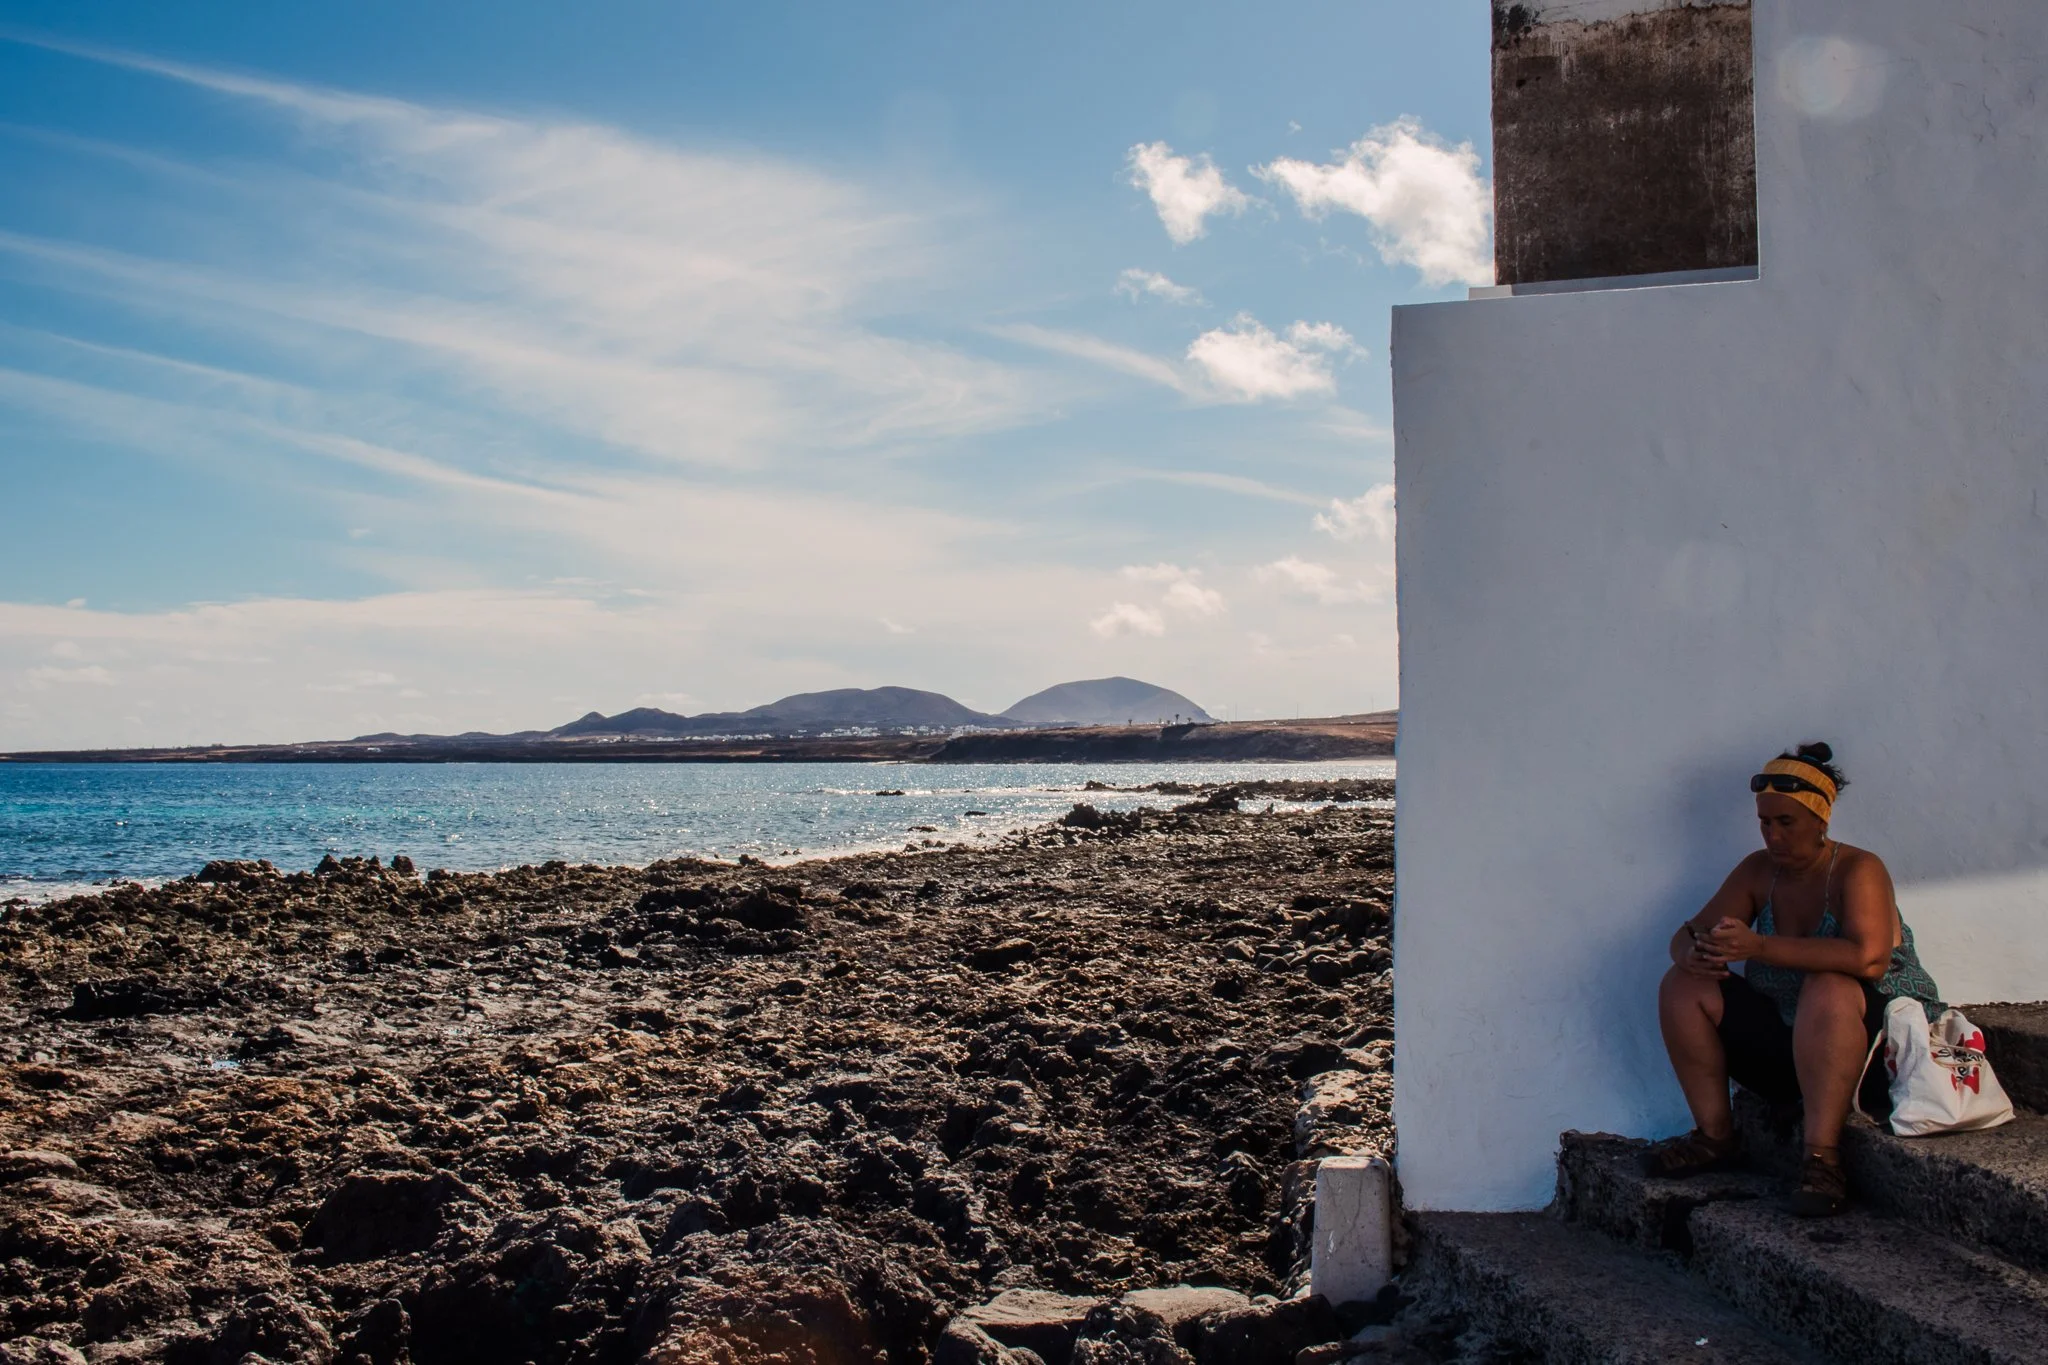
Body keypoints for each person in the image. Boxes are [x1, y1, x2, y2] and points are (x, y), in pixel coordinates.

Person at [1647, 742, 1942, 1216]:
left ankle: (1822, 1159)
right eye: (1765, 822)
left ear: (1820, 821)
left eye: (1787, 823)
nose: (1773, 835)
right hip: (1791, 1046)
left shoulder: (1857, 868)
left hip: (1872, 1053)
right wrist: (1691, 952)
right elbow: (1691, 931)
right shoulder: (1757, 871)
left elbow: (1868, 960)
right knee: (1682, 985)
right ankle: (1715, 1136)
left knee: (1828, 984)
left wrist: (1759, 947)